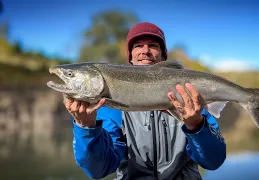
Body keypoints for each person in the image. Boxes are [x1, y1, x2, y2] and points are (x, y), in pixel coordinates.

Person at [66, 22, 226, 180]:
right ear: (130, 57)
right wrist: (87, 128)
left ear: (164, 55)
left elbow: (213, 162)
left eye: (153, 45)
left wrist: (196, 125)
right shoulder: (110, 106)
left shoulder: (191, 101)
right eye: (137, 46)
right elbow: (99, 169)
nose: (145, 51)